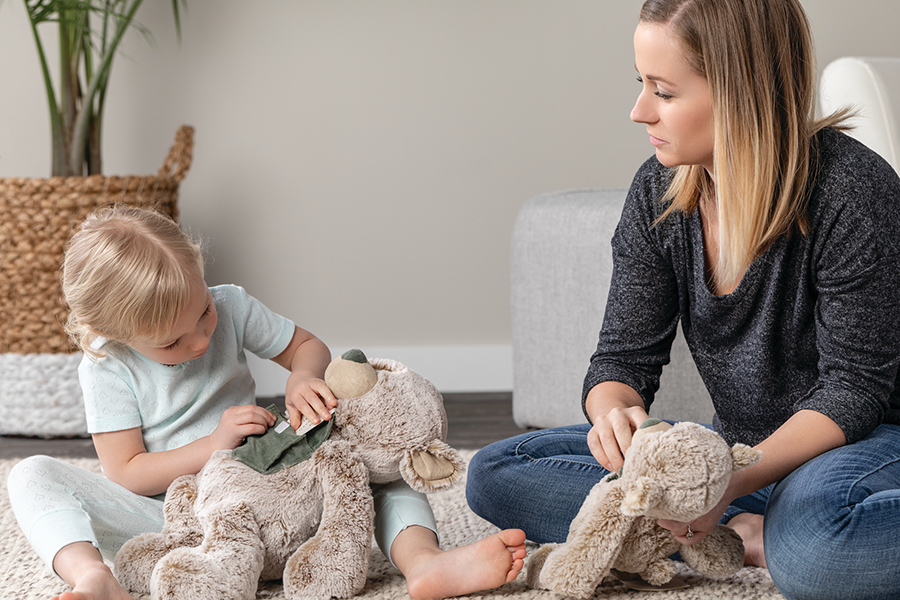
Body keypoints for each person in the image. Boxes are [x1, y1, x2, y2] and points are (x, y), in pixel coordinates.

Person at [466, 1, 900, 599]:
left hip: (859, 444)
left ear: (741, 92)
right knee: (495, 474)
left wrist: (730, 480)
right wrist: (613, 415)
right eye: (640, 83)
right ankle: (738, 531)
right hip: (733, 452)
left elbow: (854, 392)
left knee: (817, 555)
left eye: (664, 91)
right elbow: (621, 362)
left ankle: (757, 531)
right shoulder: (658, 193)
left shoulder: (854, 191)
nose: (638, 110)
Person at [7, 205, 526, 600]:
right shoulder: (108, 365)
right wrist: (212, 446)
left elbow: (307, 347)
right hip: (175, 517)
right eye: (172, 344)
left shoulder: (229, 304)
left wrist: (303, 377)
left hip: (272, 488)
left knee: (372, 464)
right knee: (31, 475)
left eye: (203, 314)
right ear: (111, 333)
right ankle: (93, 575)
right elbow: (125, 473)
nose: (200, 341)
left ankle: (424, 561)